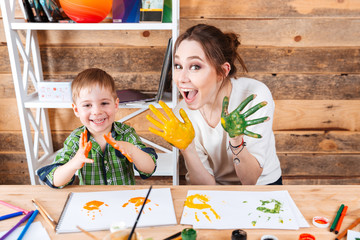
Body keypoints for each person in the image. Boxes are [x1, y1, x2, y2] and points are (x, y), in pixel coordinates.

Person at [147, 24, 281, 185]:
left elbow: (250, 180)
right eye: (178, 65)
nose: (181, 78)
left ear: (222, 72)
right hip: (216, 189)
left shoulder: (254, 96)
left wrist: (236, 140)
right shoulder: (182, 115)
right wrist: (187, 149)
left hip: (263, 187)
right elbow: (207, 187)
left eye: (195, 66)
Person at [37, 68, 157, 188]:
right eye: (87, 105)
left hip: (124, 200)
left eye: (104, 103)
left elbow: (149, 169)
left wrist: (132, 150)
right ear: (77, 110)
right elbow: (55, 181)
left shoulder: (126, 133)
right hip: (91, 203)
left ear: (115, 105)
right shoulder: (76, 139)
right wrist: (75, 162)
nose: (97, 111)